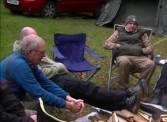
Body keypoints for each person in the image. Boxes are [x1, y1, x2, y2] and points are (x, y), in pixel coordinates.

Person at [13, 27, 142, 112]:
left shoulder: (30, 54)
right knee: (87, 89)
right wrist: (67, 103)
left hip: (54, 79)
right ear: (26, 44)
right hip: (51, 80)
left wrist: (67, 97)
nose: (43, 54)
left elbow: (42, 77)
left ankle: (125, 103)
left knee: (86, 91)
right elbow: (40, 87)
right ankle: (126, 96)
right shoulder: (21, 63)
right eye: (40, 51)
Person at [0, 34, 83, 113]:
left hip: (15, 97)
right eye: (42, 52)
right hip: (5, 105)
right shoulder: (19, 64)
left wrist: (68, 97)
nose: (44, 55)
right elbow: (38, 93)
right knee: (42, 116)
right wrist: (67, 105)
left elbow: (45, 82)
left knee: (47, 102)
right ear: (31, 52)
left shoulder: (29, 61)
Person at [103, 15, 155, 90]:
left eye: (134, 24)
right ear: (126, 24)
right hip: (123, 56)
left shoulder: (142, 33)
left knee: (151, 64)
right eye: (130, 23)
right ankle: (123, 88)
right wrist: (117, 45)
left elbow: (150, 48)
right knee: (124, 61)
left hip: (139, 57)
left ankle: (139, 89)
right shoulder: (119, 31)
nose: (132, 25)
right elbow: (106, 44)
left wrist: (143, 50)